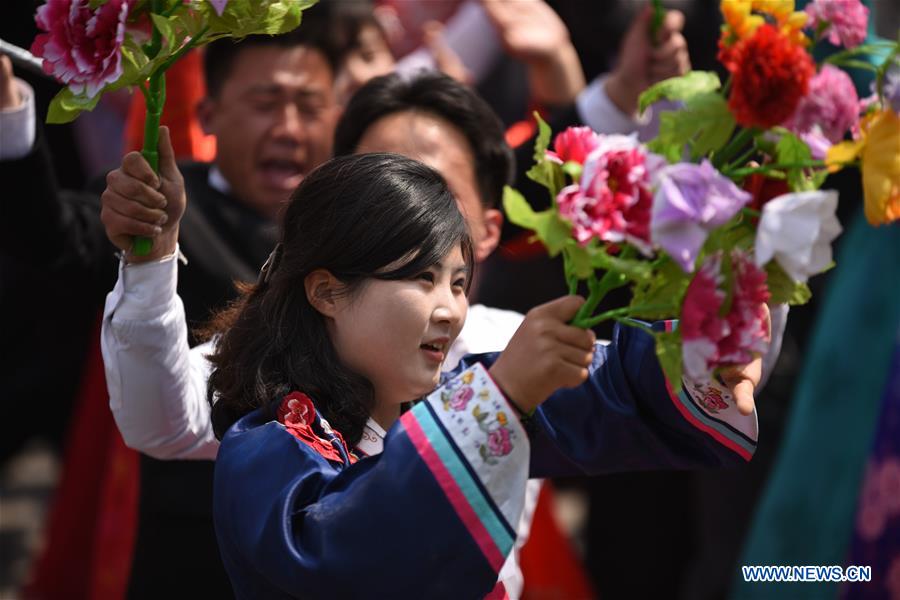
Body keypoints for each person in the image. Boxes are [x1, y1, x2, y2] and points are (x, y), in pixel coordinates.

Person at [206, 151, 765, 598]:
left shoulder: (446, 406)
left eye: (456, 281)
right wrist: (503, 397)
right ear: (326, 291)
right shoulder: (266, 446)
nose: (450, 308)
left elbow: (599, 391)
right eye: (421, 278)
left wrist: (701, 352)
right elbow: (343, 558)